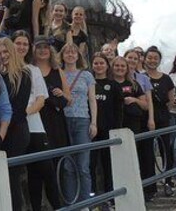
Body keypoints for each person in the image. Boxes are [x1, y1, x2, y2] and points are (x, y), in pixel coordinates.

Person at [20, 34, 61, 211]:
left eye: (23, 44)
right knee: (31, 173)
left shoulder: (33, 70)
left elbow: (41, 99)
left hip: (35, 125)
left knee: (46, 170)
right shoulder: (1, 71)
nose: (20, 47)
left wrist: (23, 114)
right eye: (17, 44)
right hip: (15, 128)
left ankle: (58, 208)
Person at [0, 37, 32, 211]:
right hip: (2, 131)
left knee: (12, 176)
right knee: (1, 178)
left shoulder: (23, 74)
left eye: (5, 52)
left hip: (16, 132)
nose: (2, 56)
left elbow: (18, 108)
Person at [60, 42, 96, 205]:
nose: (70, 54)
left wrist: (94, 122)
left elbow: (92, 100)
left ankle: (85, 203)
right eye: (67, 52)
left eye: (73, 52)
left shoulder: (87, 75)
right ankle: (71, 204)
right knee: (67, 166)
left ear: (78, 56)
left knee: (83, 166)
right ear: (62, 55)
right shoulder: (58, 73)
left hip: (82, 119)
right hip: (64, 120)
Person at [124, 48, 156, 200]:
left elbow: (149, 100)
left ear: (139, 61)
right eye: (129, 58)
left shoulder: (142, 78)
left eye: (135, 59)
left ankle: (148, 188)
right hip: (127, 120)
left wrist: (151, 119)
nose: (132, 61)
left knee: (146, 153)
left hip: (142, 118)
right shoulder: (118, 75)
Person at [143, 46, 175, 197]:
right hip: (145, 118)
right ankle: (150, 187)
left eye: (155, 58)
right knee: (147, 152)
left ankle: (168, 181)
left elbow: (171, 100)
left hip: (162, 117)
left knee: (165, 150)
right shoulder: (139, 77)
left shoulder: (166, 78)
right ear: (144, 58)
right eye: (149, 57)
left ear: (159, 60)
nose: (152, 60)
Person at [90, 53, 121, 199]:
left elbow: (118, 109)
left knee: (108, 163)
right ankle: (92, 194)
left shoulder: (113, 85)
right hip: (92, 129)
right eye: (96, 63)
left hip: (109, 129)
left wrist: (117, 129)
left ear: (107, 65)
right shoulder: (89, 83)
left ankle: (111, 195)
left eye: (101, 63)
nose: (99, 66)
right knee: (91, 163)